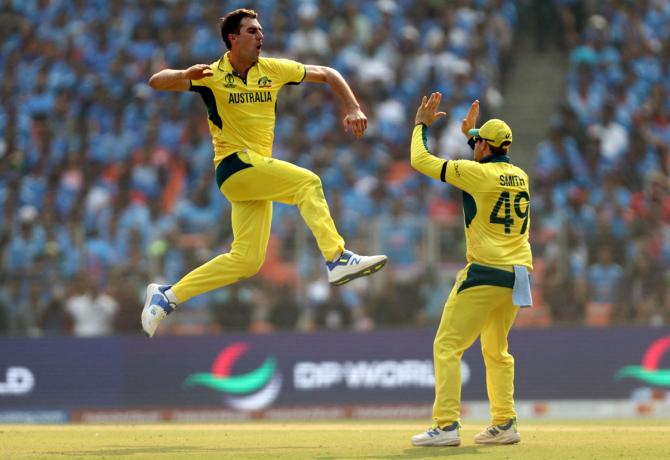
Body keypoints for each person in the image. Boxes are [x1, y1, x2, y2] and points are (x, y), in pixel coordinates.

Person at [140, 9, 386, 337]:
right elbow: (157, 81)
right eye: (252, 31)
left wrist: (353, 106)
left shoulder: (273, 69)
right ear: (233, 38)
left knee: (246, 261)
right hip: (234, 165)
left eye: (260, 31)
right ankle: (337, 258)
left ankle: (167, 295)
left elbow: (328, 73)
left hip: (253, 175)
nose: (260, 36)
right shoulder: (211, 75)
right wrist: (186, 73)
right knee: (308, 182)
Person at [409, 94, 533, 447]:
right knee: (497, 350)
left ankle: (446, 426)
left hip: (484, 272)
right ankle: (505, 421)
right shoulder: (520, 176)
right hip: (517, 274)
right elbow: (488, 170)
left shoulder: (475, 173)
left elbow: (420, 160)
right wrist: (472, 138)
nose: (472, 143)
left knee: (447, 345)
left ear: (484, 145)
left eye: (477, 140)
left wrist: (420, 125)